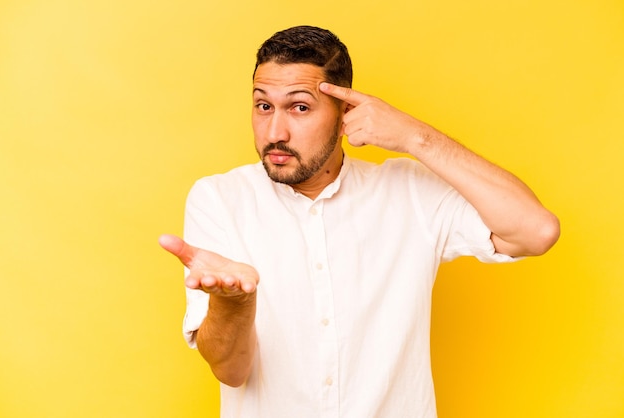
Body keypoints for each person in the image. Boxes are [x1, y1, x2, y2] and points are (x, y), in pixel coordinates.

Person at [159, 25, 559, 418]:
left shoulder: (410, 192)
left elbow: (536, 231)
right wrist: (234, 304)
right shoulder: (220, 199)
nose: (275, 131)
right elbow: (230, 371)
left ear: (345, 112)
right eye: (264, 106)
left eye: (299, 107)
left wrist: (414, 138)